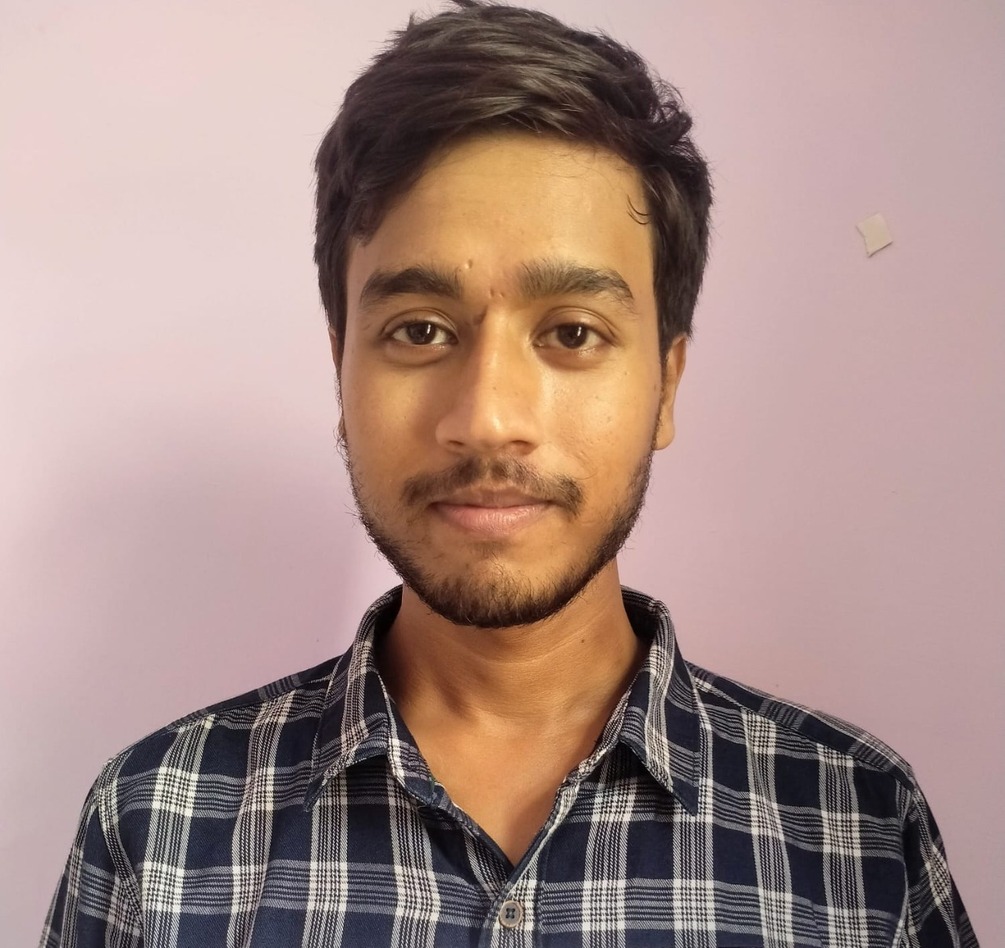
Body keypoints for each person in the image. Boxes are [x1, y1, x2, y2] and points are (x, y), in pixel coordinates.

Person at [41, 2, 977, 945]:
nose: (487, 418)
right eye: (419, 330)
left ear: (665, 385)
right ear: (341, 371)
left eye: (572, 332)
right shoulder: (155, 829)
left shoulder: (856, 832)